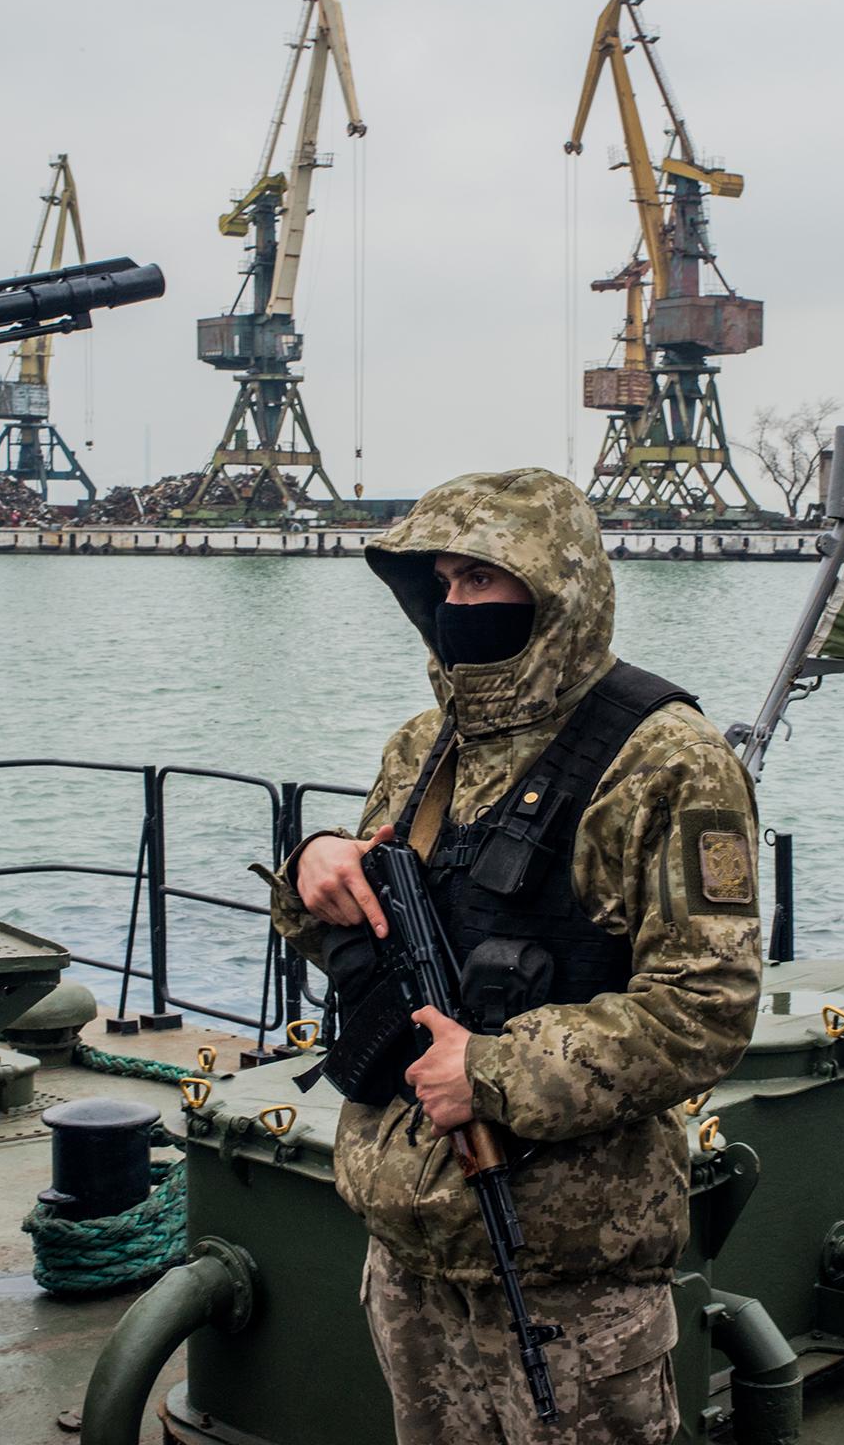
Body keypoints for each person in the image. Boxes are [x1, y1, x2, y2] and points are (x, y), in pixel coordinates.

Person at [262, 468, 765, 1443]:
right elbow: (367, 939)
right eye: (442, 582)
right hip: (410, 1255)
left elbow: (706, 1008)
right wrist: (312, 869)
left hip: (568, 1280)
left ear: (554, 589)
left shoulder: (668, 760)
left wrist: (491, 1069)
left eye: (481, 582)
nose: (454, 605)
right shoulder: (425, 747)